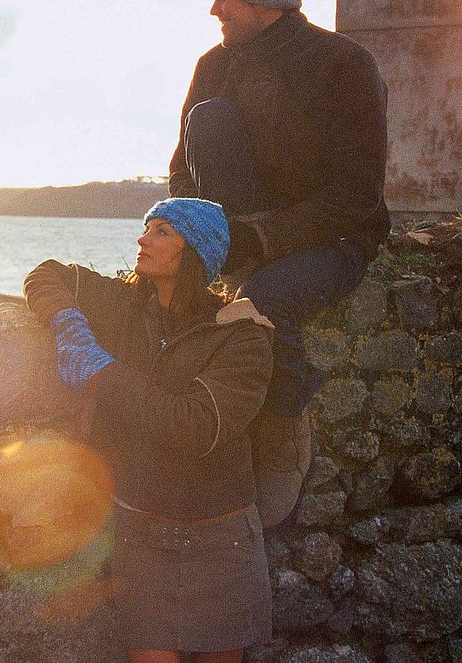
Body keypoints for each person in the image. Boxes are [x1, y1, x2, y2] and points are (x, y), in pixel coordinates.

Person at [168, 0, 390, 527]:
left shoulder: (343, 66)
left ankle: (282, 437)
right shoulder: (213, 66)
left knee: (258, 303)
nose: (215, 10)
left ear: (269, 4)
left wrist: (262, 243)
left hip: (332, 240)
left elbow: (354, 197)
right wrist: (195, 234)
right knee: (208, 121)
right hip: (243, 235)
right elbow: (180, 171)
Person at [24, 198, 275, 663]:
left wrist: (103, 373)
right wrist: (67, 322)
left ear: (197, 251)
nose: (143, 239)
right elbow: (46, 272)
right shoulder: (122, 303)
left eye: (162, 231)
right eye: (147, 228)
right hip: (141, 529)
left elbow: (194, 427)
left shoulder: (241, 336)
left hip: (220, 535)